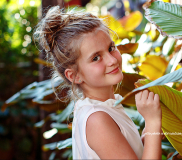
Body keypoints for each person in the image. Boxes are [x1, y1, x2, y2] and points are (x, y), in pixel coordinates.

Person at [33, 6, 162, 159]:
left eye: (111, 48)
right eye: (96, 58)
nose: (112, 60)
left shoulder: (104, 107)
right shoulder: (97, 119)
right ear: (74, 76)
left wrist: (150, 133)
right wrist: (153, 121)